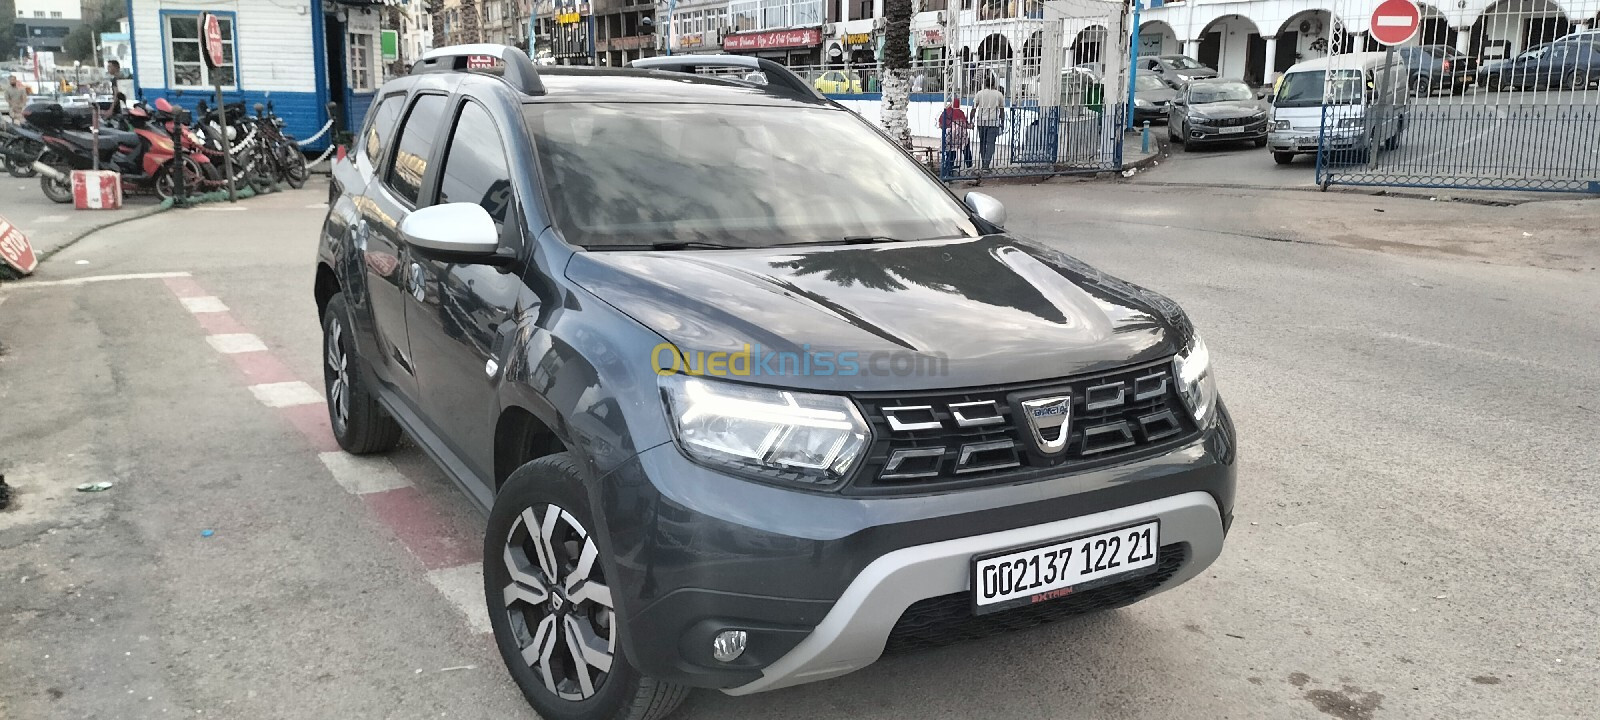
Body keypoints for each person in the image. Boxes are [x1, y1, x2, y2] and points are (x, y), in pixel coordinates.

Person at [973, 77, 1005, 171]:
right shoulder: (999, 94)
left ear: (985, 84)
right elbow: (1002, 110)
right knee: (991, 144)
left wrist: (970, 119)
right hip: (993, 122)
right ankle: (986, 164)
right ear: (994, 84)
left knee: (982, 143)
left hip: (981, 122)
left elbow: (974, 108)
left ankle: (983, 162)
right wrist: (1002, 122)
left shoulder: (980, 93)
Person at [937, 97, 973, 176]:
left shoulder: (946, 112)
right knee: (966, 147)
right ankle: (969, 164)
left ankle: (949, 165)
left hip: (950, 136)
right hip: (961, 137)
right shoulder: (961, 113)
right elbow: (965, 124)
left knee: (951, 151)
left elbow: (940, 124)